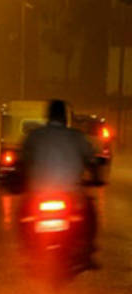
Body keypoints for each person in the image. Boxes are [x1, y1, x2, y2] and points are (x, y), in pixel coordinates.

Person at [20, 99, 98, 267]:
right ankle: (89, 250)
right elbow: (91, 160)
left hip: (38, 193)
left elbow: (24, 161)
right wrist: (95, 177)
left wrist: (22, 180)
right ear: (66, 117)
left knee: (23, 215)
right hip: (71, 194)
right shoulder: (77, 137)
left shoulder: (35, 136)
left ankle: (25, 248)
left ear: (47, 116)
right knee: (90, 213)